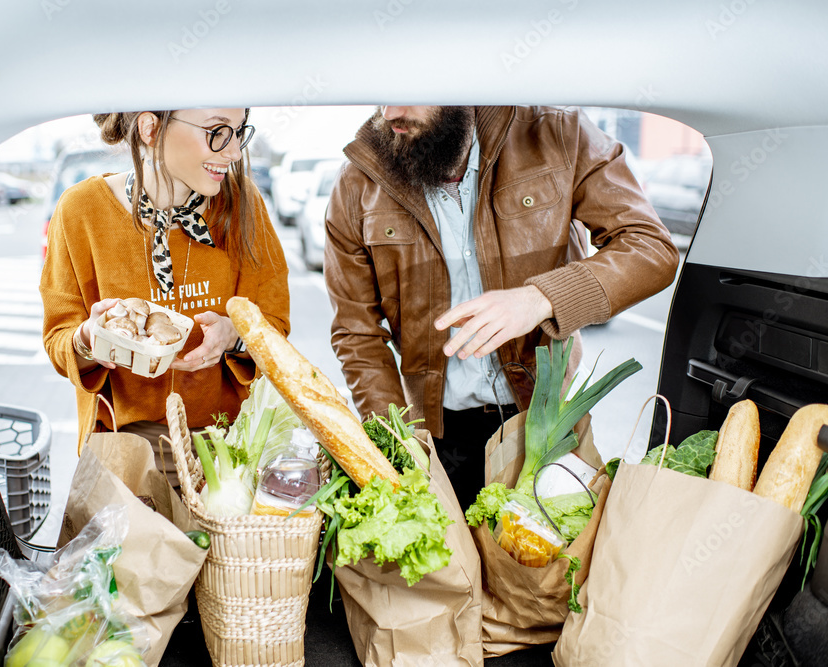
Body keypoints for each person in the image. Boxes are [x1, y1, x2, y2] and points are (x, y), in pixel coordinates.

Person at [323, 105, 679, 509]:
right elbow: (357, 333)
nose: (392, 112)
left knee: (539, 568)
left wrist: (540, 298)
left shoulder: (559, 134)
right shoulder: (357, 182)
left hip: (541, 422)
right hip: (434, 438)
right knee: (446, 572)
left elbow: (651, 247)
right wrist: (398, 447)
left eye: (411, 91)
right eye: (382, 93)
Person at [40, 108, 289, 488]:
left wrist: (233, 335)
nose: (235, 151)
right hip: (125, 453)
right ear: (150, 128)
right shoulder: (81, 211)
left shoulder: (243, 207)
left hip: (227, 452)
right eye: (218, 132)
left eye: (239, 133)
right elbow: (59, 340)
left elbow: (274, 330)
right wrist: (89, 339)